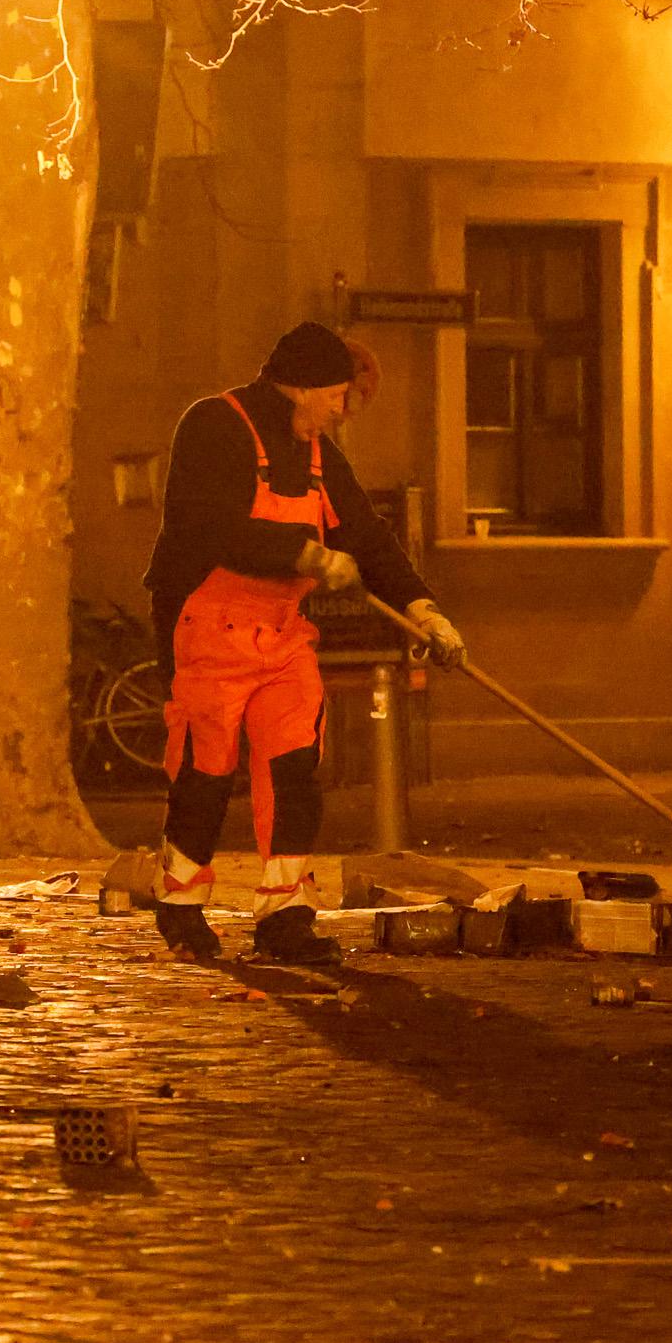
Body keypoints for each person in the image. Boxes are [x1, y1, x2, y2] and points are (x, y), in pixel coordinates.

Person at [141, 321, 462, 958]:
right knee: (206, 771)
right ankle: (179, 905)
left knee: (294, 770)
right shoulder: (214, 425)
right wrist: (309, 556)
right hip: (205, 627)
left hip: (283, 637)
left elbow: (368, 540)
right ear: (305, 389)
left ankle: (285, 913)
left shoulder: (319, 456)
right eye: (339, 396)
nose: (343, 412)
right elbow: (211, 527)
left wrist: (425, 611)